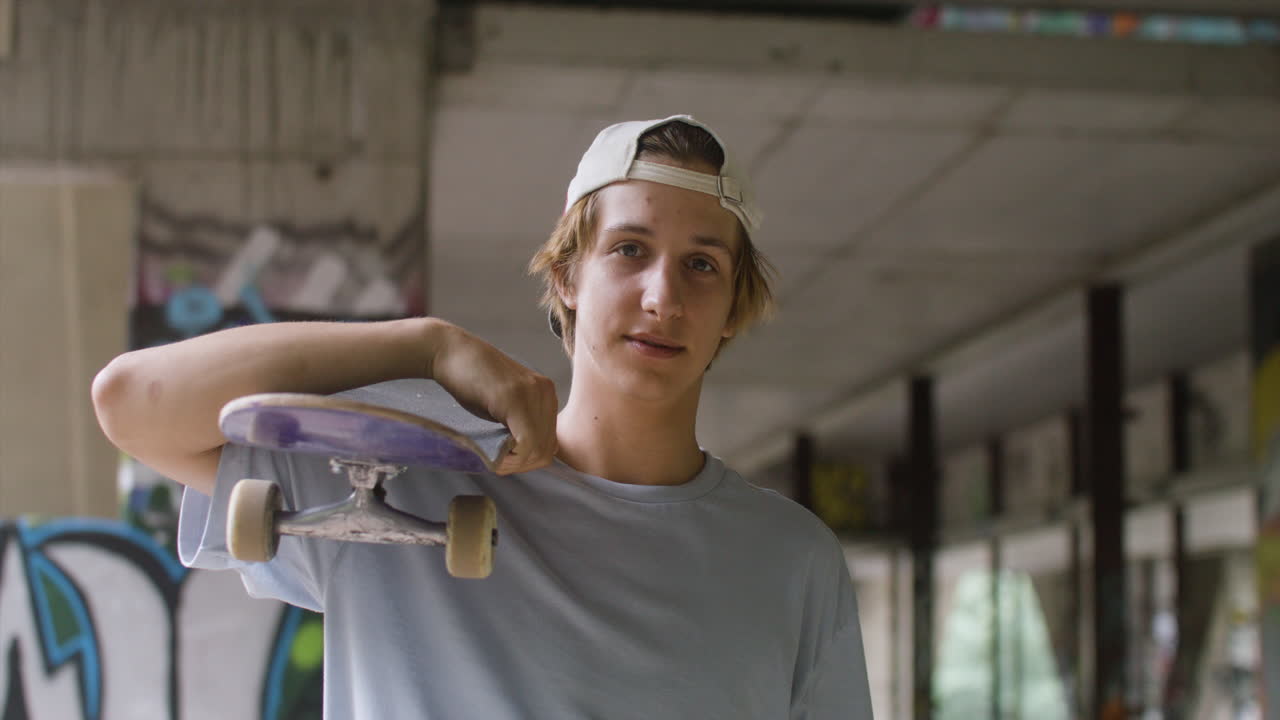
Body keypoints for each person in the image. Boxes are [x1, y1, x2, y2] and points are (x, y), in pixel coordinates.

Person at [92, 115, 874, 719]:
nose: (662, 297)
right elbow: (132, 404)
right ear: (568, 277)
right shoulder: (405, 483)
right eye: (629, 250)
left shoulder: (791, 562)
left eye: (701, 265)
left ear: (733, 307)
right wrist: (425, 346)